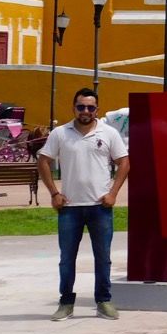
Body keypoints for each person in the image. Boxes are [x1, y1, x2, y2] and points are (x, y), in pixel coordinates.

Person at [37, 87, 129, 321]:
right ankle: (66, 302)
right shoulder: (60, 133)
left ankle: (104, 301)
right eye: (81, 107)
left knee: (103, 257)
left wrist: (113, 193)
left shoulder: (108, 133)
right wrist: (54, 193)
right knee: (67, 258)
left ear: (97, 109)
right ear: (74, 108)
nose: (85, 111)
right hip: (69, 208)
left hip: (100, 206)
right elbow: (44, 160)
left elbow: (124, 163)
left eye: (90, 107)